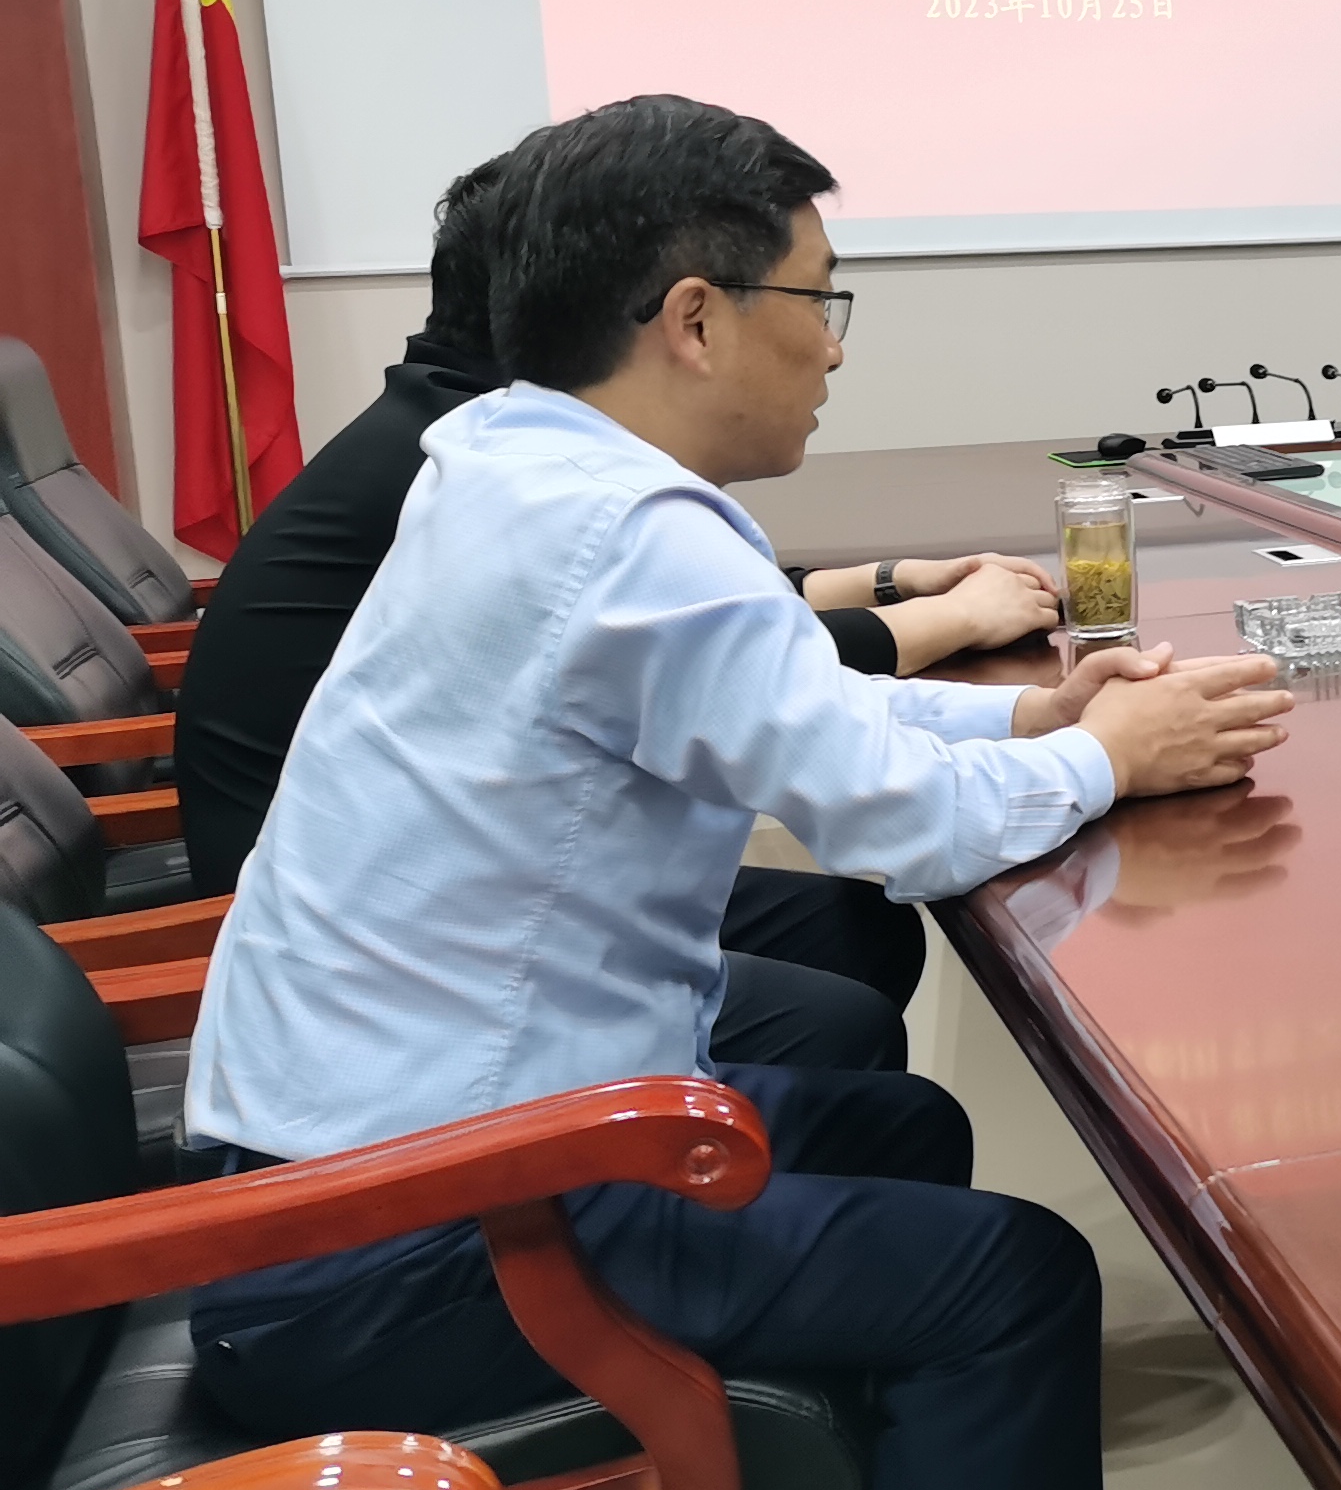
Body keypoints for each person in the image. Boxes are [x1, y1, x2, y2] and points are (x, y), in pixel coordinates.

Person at [180, 95, 1288, 1490]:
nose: (831, 350)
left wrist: (1041, 727)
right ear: (693, 318)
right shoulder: (628, 531)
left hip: (343, 1170)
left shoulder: (515, 461)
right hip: (401, 1237)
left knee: (890, 1133)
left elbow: (808, 728)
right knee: (1011, 1277)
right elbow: (892, 824)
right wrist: (1110, 756)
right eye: (817, 301)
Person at [172, 150, 1058, 1088]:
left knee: (850, 957)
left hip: (391, 908)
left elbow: (717, 627)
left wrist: (897, 594)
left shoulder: (478, 439)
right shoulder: (514, 473)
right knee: (900, 1106)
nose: (831, 347)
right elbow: (781, 706)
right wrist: (1093, 743)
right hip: (394, 973)